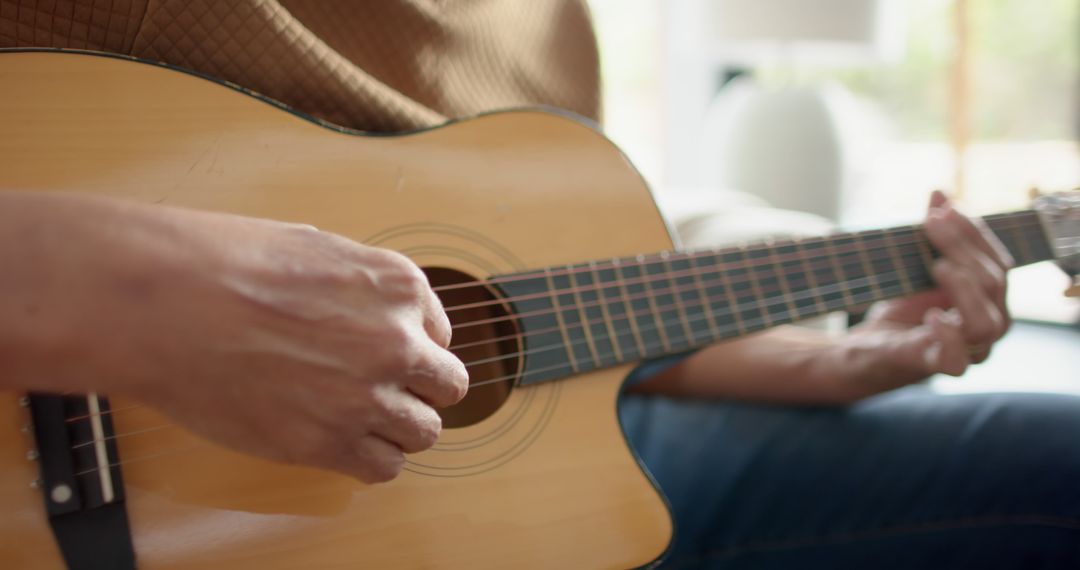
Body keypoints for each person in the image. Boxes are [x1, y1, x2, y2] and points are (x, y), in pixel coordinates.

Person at [2, 1, 1078, 568]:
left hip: (535, 496)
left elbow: (524, 325)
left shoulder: (548, 24)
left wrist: (836, 359)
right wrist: (136, 295)